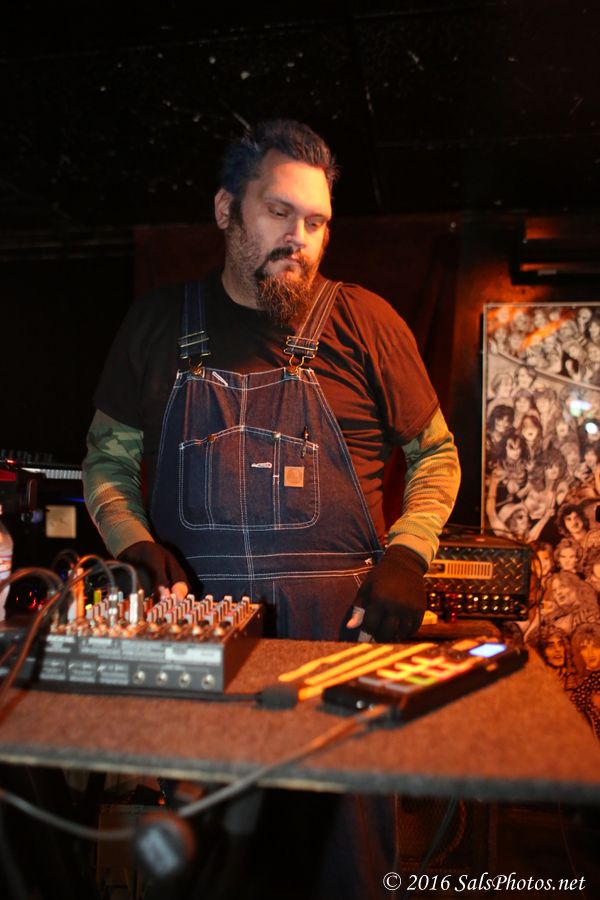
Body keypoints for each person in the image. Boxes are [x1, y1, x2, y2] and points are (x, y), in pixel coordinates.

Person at [82, 118, 461, 646]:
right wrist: (131, 542)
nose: (298, 239)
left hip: (339, 641)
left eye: (316, 222)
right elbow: (107, 460)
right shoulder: (155, 324)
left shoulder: (368, 323)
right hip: (194, 635)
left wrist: (409, 554)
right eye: (279, 213)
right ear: (226, 209)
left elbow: (436, 454)